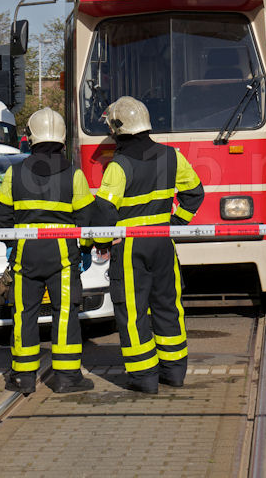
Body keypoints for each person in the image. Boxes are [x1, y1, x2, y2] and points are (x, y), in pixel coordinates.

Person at [93, 96, 204, 394]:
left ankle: (144, 376)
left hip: (131, 248)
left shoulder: (119, 165)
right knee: (168, 304)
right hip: (163, 243)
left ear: (119, 129)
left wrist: (101, 242)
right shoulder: (172, 156)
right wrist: (175, 224)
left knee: (133, 311)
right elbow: (195, 193)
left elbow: (104, 211)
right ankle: (174, 370)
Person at [0, 108, 96, 395]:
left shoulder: (14, 173)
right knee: (65, 312)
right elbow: (87, 218)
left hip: (25, 253)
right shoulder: (74, 174)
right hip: (63, 253)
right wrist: (85, 250)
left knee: (24, 313)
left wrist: (12, 247)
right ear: (62, 139)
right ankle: (66, 377)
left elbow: (1, 219)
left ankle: (23, 377)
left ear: (30, 137)